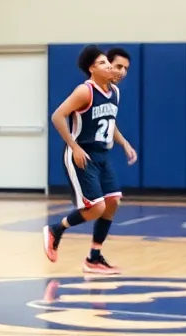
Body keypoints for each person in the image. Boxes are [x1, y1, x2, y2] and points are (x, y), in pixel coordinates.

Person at [44, 44, 134, 275]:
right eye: (112, 65)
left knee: (113, 201)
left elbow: (109, 123)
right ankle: (56, 229)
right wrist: (73, 146)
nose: (121, 71)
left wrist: (124, 143)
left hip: (102, 155)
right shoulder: (85, 91)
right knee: (96, 208)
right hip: (82, 154)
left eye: (125, 68)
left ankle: (94, 258)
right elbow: (57, 115)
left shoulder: (115, 93)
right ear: (93, 68)